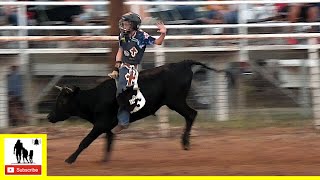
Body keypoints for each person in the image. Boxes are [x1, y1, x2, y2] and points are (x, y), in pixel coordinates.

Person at [108, 12, 166, 134]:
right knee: (113, 91)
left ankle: (123, 122)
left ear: (133, 25)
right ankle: (118, 117)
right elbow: (121, 50)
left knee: (123, 94)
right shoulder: (123, 35)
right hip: (123, 67)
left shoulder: (142, 36)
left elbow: (158, 42)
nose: (124, 24)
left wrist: (163, 33)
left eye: (127, 22)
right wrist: (116, 68)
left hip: (132, 69)